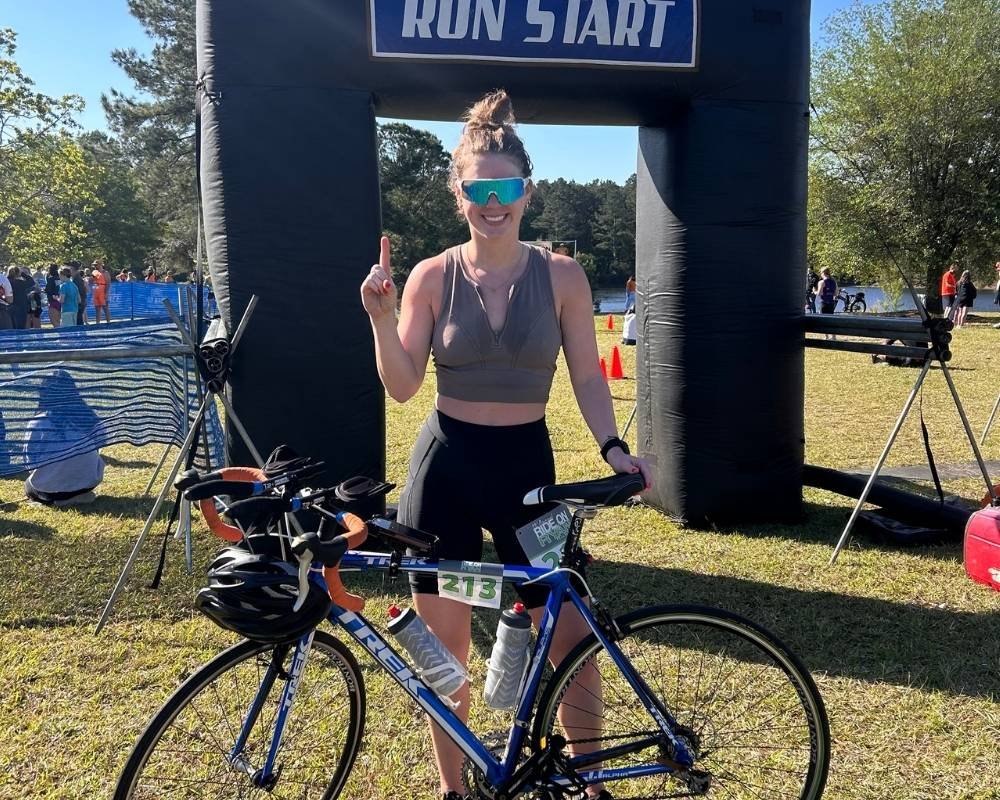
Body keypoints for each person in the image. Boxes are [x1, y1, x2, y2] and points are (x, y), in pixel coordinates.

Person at [361, 89, 651, 800]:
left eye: (506, 188)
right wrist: (381, 317)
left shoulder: (562, 275)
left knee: (570, 633)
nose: (493, 202)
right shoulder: (432, 276)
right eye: (477, 188)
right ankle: (454, 790)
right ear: (459, 193)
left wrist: (612, 446)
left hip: (529, 473)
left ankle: (590, 782)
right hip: (447, 472)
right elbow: (402, 387)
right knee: (446, 652)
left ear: (527, 190)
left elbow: (586, 370)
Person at [23, 370, 104, 507]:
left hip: (49, 489)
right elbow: (102, 441)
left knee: (28, 486)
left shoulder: (38, 422)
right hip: (88, 483)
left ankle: (58, 498)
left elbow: (29, 460)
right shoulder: (89, 417)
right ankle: (76, 494)